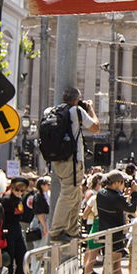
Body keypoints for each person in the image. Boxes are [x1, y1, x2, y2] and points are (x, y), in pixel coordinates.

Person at [48, 87, 100, 243]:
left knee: (76, 194)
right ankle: (56, 231)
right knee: (68, 193)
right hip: (72, 160)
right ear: (77, 100)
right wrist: (90, 109)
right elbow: (95, 128)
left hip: (57, 159)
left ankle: (72, 229)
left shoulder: (51, 111)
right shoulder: (76, 111)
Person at [95, 171, 137, 274]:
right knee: (112, 261)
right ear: (116, 183)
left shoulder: (101, 193)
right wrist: (134, 193)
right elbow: (131, 208)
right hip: (116, 231)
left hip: (105, 230)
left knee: (112, 260)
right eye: (122, 182)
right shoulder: (116, 197)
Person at [0, 177, 31, 274]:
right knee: (9, 263)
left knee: (23, 259)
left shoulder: (19, 199)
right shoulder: (5, 200)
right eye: (17, 188)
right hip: (8, 231)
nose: (20, 191)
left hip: (16, 230)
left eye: (22, 189)